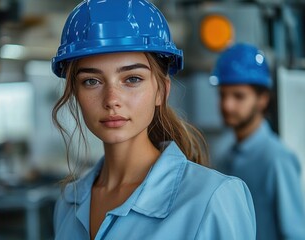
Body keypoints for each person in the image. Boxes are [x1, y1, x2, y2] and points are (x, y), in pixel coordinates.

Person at [51, 1, 256, 239]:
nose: (111, 100)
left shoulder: (212, 199)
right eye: (91, 81)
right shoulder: (69, 202)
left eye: (132, 79)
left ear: (161, 91)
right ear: (75, 92)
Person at [210, 42, 305, 240]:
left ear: (262, 99)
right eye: (222, 95)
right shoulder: (223, 156)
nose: (227, 105)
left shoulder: (277, 159)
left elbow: (295, 233)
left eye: (238, 96)